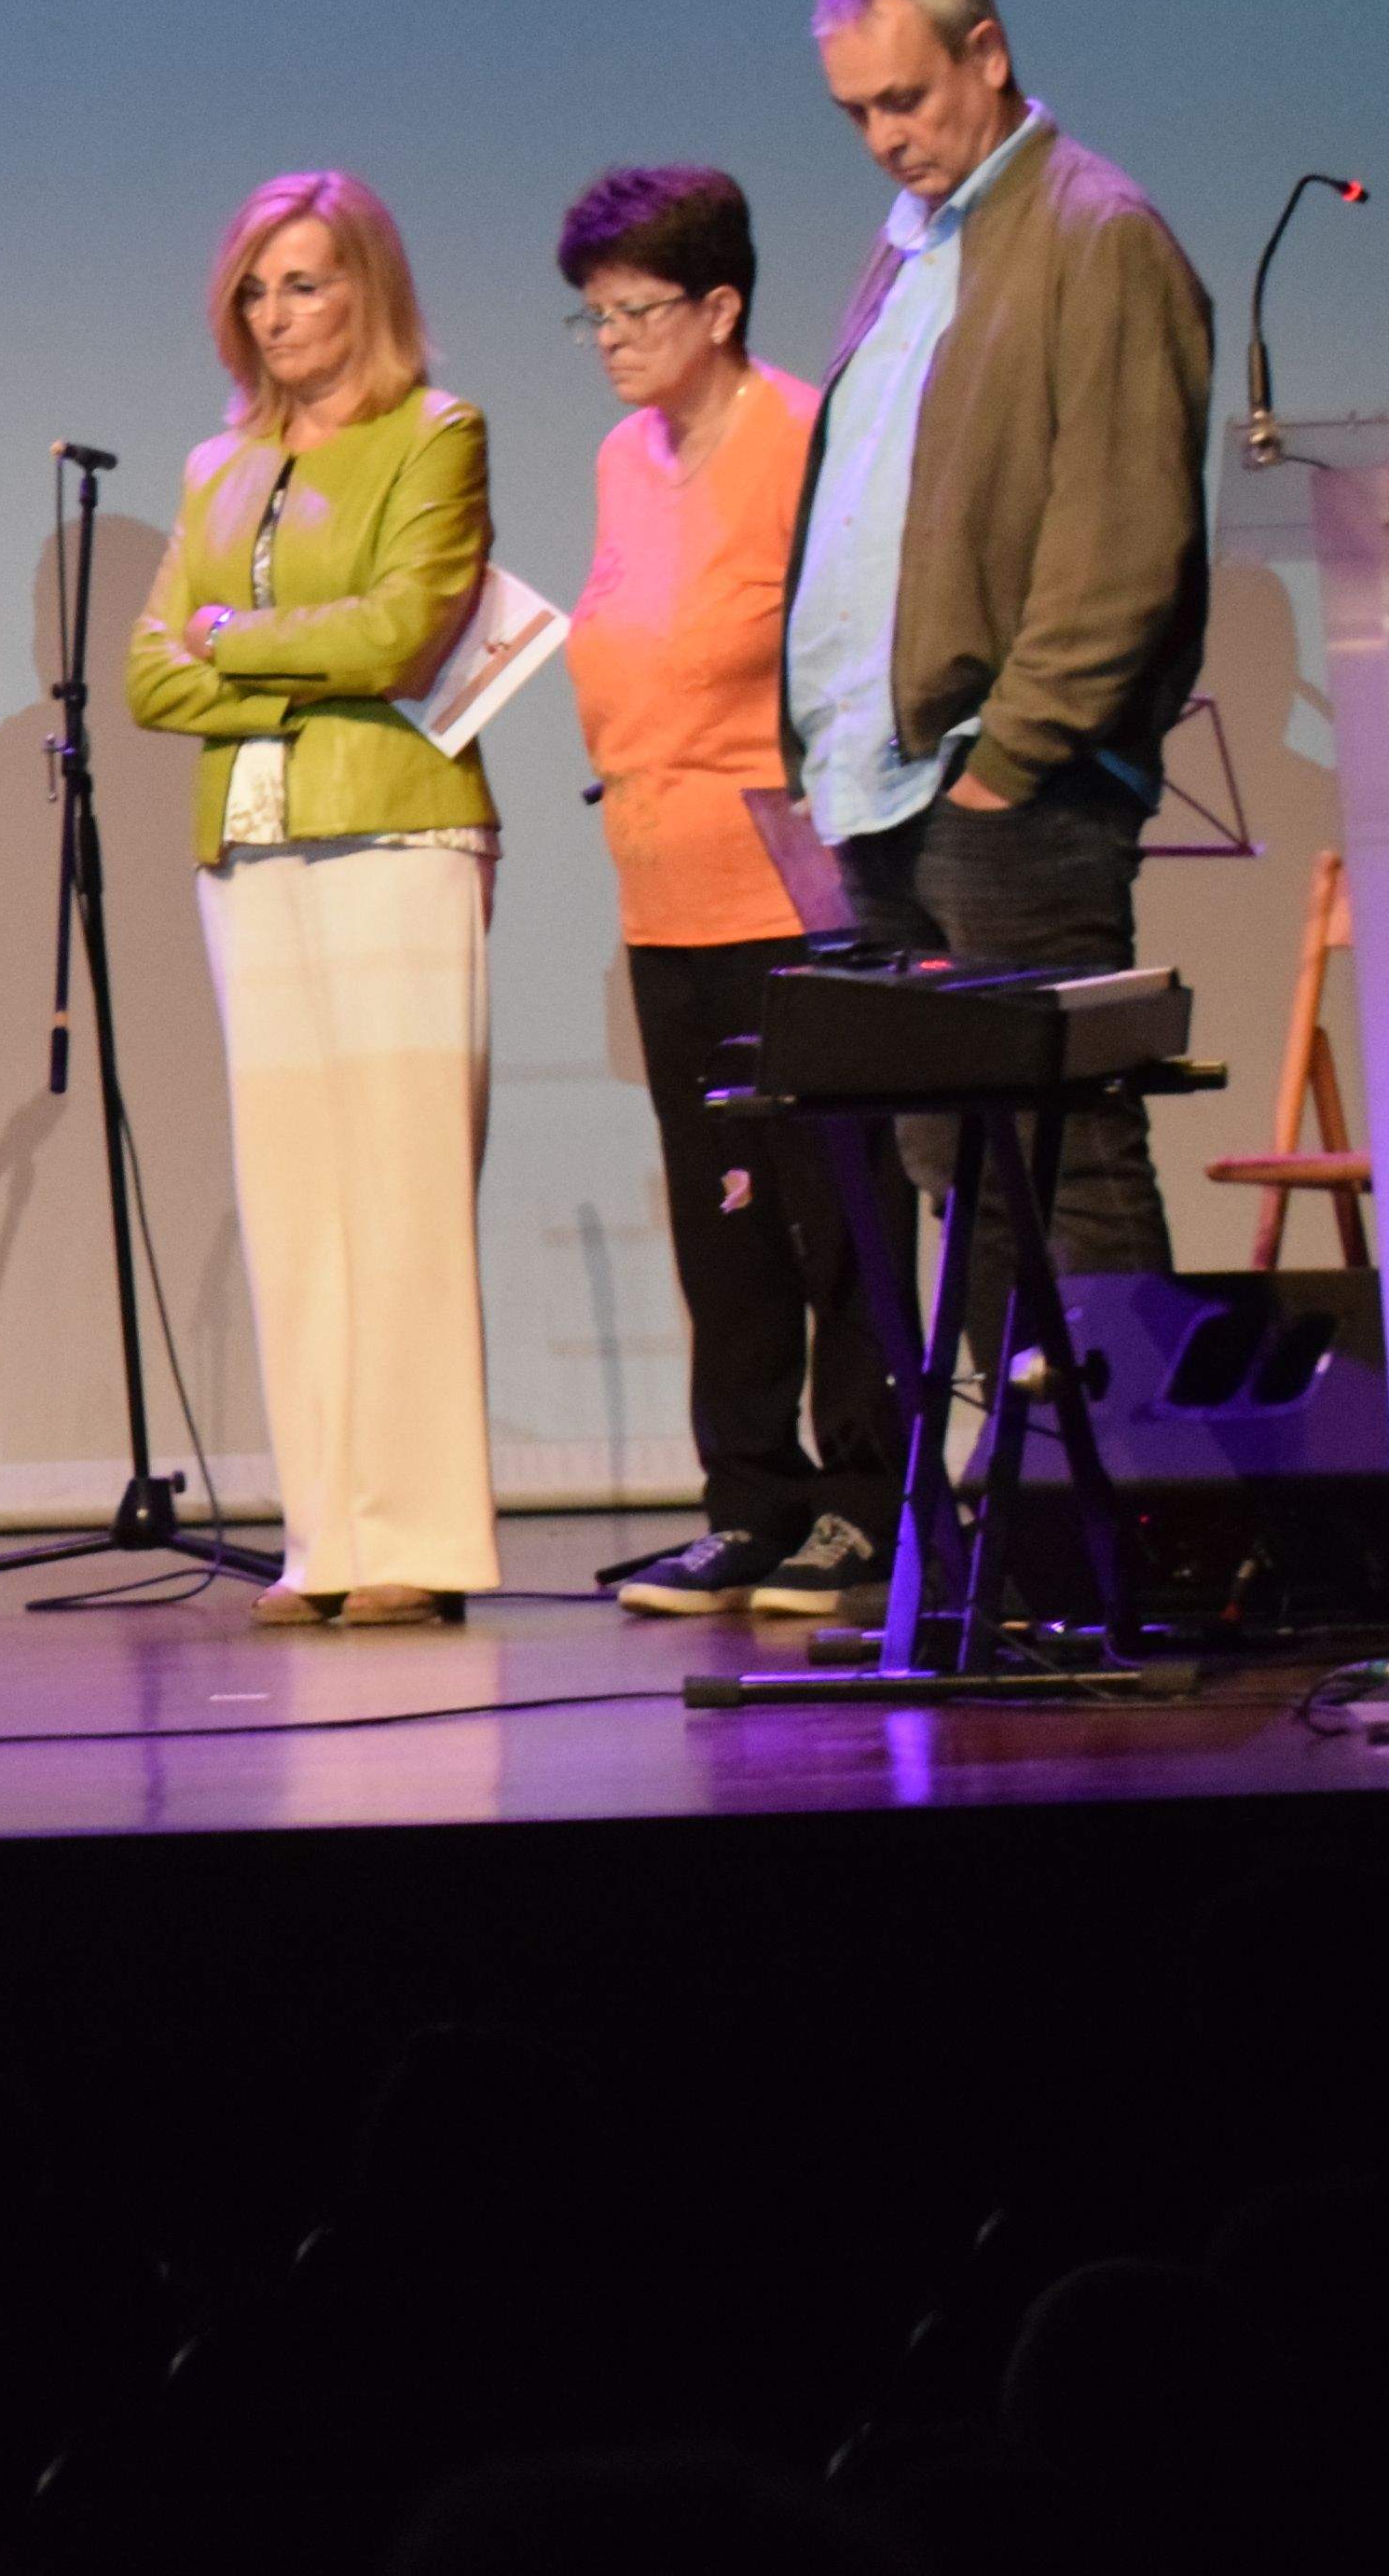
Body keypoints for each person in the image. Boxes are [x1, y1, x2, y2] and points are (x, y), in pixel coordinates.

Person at [777, 0, 1212, 1609]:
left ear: (988, 54)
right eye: (856, 113)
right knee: (955, 1159)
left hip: (998, 783)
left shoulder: (1093, 234)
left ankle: (1143, 1535)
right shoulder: (915, 246)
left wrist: (1006, 761)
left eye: (905, 97)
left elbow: (1124, 548)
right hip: (883, 786)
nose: (885, 135)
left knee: (1067, 1147)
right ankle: (1021, 1529)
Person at [125, 172, 498, 1627]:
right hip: (253, 850)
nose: (279, 314)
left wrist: (240, 644)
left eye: (309, 283)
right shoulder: (214, 468)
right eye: (259, 289)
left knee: (400, 1196)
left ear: (370, 292)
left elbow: (407, 633)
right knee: (295, 1205)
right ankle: (326, 1538)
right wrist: (278, 653)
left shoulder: (438, 436)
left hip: (397, 839)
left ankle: (417, 1539)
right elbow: (155, 673)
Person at [549, 167, 874, 1619]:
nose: (610, 338)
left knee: (833, 1211)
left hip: (790, 892)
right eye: (592, 316)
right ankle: (750, 1501)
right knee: (721, 1213)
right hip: (660, 893)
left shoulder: (808, 438)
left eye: (634, 310)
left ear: (721, 306)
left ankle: (868, 1507)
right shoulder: (627, 456)